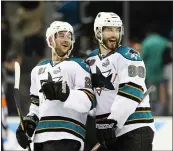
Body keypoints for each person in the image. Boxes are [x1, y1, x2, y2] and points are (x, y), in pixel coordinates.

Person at [16, 21, 96, 151]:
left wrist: (66, 93)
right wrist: (28, 124)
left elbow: (89, 101)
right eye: (61, 35)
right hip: (41, 138)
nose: (66, 39)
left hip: (68, 136)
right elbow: (36, 106)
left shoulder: (79, 66)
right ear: (50, 40)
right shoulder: (38, 69)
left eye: (69, 36)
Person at [86, 12, 156, 151]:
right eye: (109, 29)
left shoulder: (129, 56)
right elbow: (90, 97)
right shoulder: (90, 60)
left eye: (117, 29)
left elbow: (131, 90)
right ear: (98, 31)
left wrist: (113, 121)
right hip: (106, 133)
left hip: (134, 128)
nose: (114, 34)